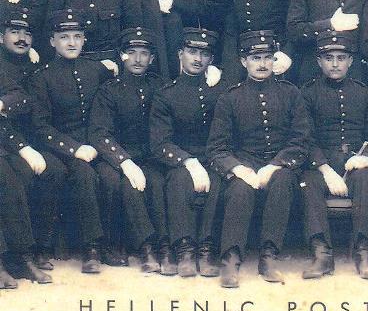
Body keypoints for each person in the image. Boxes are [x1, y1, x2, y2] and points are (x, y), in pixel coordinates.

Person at [207, 28, 309, 286]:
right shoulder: (230, 97)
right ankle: (230, 259)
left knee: (283, 181)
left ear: (274, 60)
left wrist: (275, 165)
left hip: (280, 163)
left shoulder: (291, 93)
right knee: (240, 188)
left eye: (267, 58)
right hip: (245, 163)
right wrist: (239, 169)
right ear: (244, 61)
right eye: (255, 58)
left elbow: (300, 139)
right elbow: (217, 148)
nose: (262, 64)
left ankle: (269, 257)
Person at [27, 10, 112, 272]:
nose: (72, 42)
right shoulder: (42, 77)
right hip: (56, 147)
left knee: (111, 176)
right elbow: (40, 127)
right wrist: (74, 149)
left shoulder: (97, 70)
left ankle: (115, 244)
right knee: (80, 173)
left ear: (84, 40)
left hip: (94, 144)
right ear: (52, 41)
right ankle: (88, 248)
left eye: (77, 36)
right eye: (64, 37)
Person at [299, 32, 368, 279]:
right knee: (308, 182)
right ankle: (321, 253)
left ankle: (363, 251)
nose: (335, 64)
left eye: (341, 58)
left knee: (366, 178)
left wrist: (366, 157)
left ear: (350, 61)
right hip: (321, 162)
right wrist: (325, 169)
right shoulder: (308, 93)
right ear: (319, 61)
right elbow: (304, 137)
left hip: (355, 158)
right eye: (329, 58)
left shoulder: (364, 93)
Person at [88, 26, 168, 273]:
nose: (137, 59)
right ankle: (146, 248)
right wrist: (124, 161)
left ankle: (163, 246)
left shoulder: (159, 86)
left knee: (155, 181)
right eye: (131, 52)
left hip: (149, 155)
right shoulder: (109, 90)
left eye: (144, 53)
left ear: (152, 58)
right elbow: (99, 133)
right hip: (115, 157)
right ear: (121, 56)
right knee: (125, 183)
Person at [148, 27, 225, 278]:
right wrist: (187, 161)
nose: (197, 59)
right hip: (179, 159)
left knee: (218, 179)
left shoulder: (220, 91)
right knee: (179, 179)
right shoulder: (166, 94)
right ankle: (185, 249)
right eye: (192, 52)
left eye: (204, 54)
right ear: (180, 54)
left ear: (211, 59)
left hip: (213, 156)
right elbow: (160, 143)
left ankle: (206, 249)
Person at [0, 3, 63, 280]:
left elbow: (21, 98)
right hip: (9, 142)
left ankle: (26, 253)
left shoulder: (28, 65)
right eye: (15, 32)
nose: (21, 38)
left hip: (8, 140)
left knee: (34, 173)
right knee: (8, 177)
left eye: (26, 33)